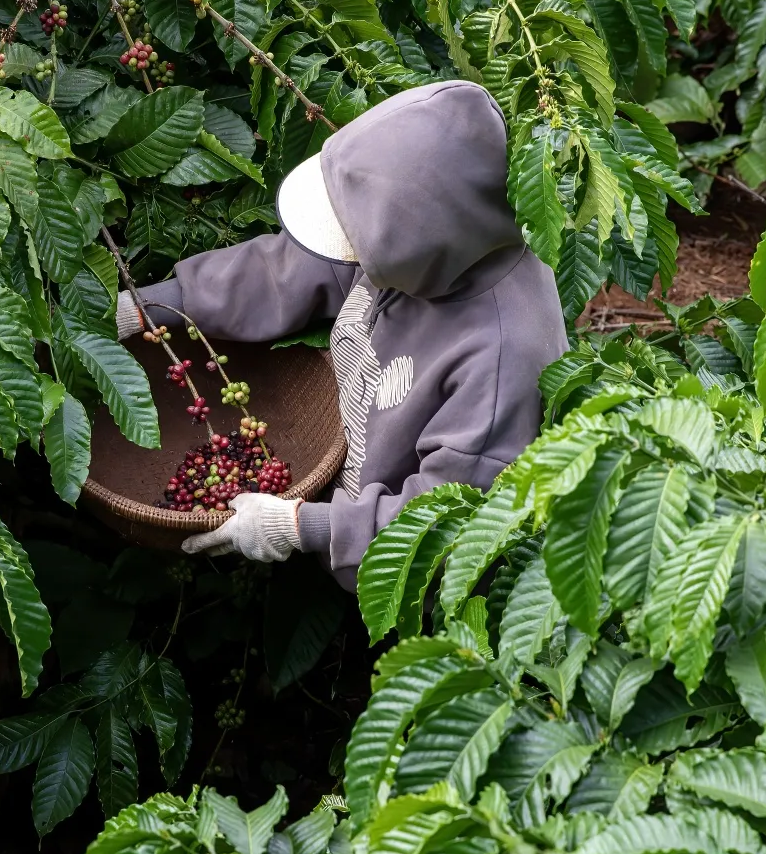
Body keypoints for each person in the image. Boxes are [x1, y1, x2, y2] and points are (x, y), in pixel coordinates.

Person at [116, 79, 569, 589]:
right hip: (339, 482)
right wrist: (157, 306)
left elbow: (451, 520)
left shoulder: (503, 357)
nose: (348, 250)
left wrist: (300, 527)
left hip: (388, 581)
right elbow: (289, 272)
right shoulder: (429, 233)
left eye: (358, 241)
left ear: (418, 250)